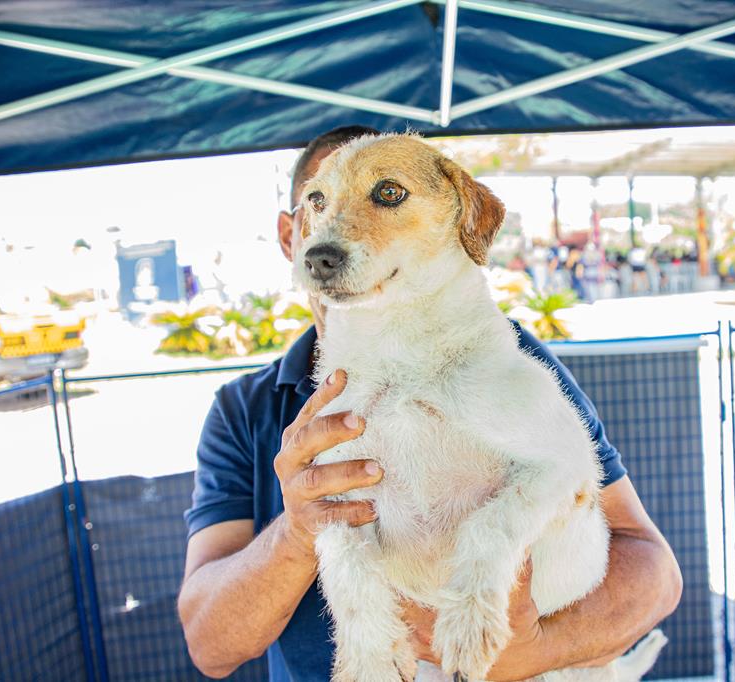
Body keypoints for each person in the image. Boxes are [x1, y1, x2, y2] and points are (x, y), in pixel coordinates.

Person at [177, 126, 683, 681]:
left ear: (456, 214)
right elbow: (209, 647)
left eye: (386, 194)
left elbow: (652, 568)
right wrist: (301, 528)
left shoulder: (507, 358)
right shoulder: (241, 409)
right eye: (319, 203)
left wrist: (537, 652)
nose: (334, 234)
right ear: (291, 234)